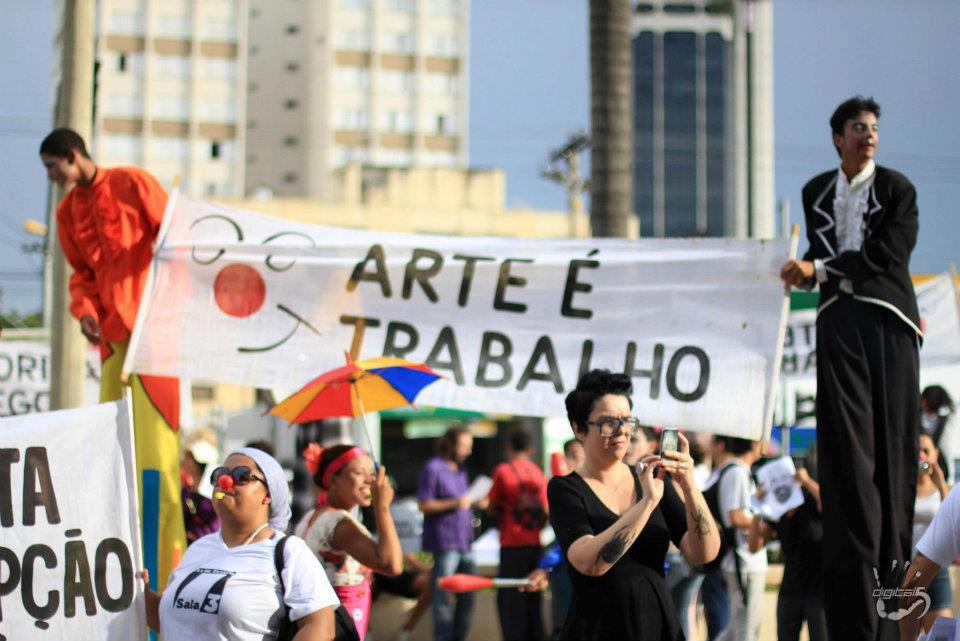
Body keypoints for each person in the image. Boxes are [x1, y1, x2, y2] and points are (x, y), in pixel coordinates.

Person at [780, 96, 921, 640]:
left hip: (886, 324)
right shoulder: (817, 190)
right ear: (837, 137)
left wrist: (818, 268)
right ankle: (855, 620)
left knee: (892, 466)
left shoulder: (897, 190)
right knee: (847, 471)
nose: (870, 137)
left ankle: (893, 616)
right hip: (838, 326)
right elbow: (822, 259)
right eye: (859, 128)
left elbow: (888, 256)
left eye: (875, 129)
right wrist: (805, 274)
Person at [40, 127, 185, 590]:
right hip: (112, 341)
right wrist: (83, 312)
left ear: (72, 155)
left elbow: (177, 237)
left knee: (159, 458)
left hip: (155, 334)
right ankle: (117, 569)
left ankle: (168, 574)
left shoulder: (132, 183)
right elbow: (81, 276)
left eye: (52, 167)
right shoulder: (66, 212)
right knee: (112, 446)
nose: (51, 177)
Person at [547, 369, 719, 641]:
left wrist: (689, 485)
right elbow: (590, 562)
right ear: (579, 429)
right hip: (596, 628)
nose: (621, 432)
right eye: (607, 422)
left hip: (656, 624)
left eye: (627, 421)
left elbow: (703, 554)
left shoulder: (652, 479)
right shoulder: (566, 489)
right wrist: (647, 503)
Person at [145, 447, 339, 640]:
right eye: (220, 474)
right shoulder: (198, 548)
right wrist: (139, 592)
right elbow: (171, 621)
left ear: (268, 495)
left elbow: (320, 627)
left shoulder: (289, 552)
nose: (225, 482)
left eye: (241, 476)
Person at [295, 444, 403, 641]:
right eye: (358, 473)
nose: (370, 481)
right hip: (338, 626)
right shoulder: (339, 524)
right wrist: (382, 508)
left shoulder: (313, 515)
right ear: (333, 479)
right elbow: (391, 564)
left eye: (371, 473)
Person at [417, 426, 487, 641]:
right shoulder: (433, 468)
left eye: (469, 446)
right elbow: (424, 504)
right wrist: (457, 502)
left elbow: (463, 502)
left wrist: (476, 502)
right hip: (445, 541)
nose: (467, 451)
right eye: (464, 446)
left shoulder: (461, 469)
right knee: (444, 596)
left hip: (465, 541)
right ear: (450, 444)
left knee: (468, 597)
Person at [753, 465, 827, 641]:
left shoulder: (809, 502)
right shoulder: (776, 512)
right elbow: (754, 545)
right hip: (790, 590)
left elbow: (828, 503)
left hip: (819, 591)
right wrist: (757, 507)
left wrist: (807, 481)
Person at [487, 429, 549, 641]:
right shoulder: (538, 473)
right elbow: (545, 511)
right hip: (534, 544)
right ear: (530, 449)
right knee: (534, 600)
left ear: (508, 448)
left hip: (511, 544)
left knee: (510, 602)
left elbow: (491, 505)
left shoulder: (503, 470)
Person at [715, 437, 766, 641]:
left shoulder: (741, 471)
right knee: (746, 629)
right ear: (753, 444)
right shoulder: (736, 472)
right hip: (743, 561)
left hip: (747, 561)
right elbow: (734, 516)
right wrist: (760, 521)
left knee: (741, 628)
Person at [907, 433, 953, 634]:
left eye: (926, 450)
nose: (921, 455)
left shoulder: (944, 490)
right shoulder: (902, 489)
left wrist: (941, 484)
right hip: (907, 570)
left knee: (943, 635)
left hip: (936, 570)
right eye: (917, 450)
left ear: (935, 453)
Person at [181, 435, 221, 545]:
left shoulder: (215, 494)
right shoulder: (186, 491)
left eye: (189, 457)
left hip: (208, 547)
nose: (184, 460)